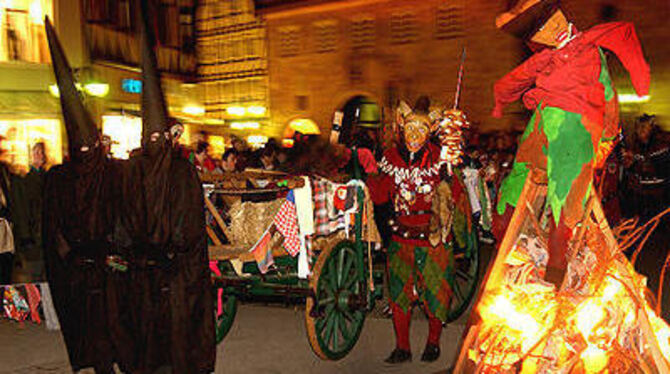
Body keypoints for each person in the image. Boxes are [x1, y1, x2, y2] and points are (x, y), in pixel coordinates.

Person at [491, 0, 649, 285]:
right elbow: (516, 78)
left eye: (553, 19)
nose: (552, 27)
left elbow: (608, 94)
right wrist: (500, 99)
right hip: (544, 123)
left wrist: (608, 136)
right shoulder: (545, 60)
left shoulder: (591, 50)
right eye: (541, 28)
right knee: (522, 178)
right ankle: (505, 223)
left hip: (575, 126)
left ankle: (556, 263)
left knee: (565, 196)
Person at [117, 3, 215, 372]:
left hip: (176, 273)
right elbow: (123, 218)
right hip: (144, 274)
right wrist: (129, 251)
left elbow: (190, 224)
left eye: (162, 137)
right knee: (146, 341)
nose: (157, 142)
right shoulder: (132, 172)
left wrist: (169, 252)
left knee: (176, 340)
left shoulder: (181, 173)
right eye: (151, 137)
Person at [42, 18, 132, 373]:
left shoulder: (113, 172)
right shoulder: (59, 179)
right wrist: (74, 258)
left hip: (111, 271)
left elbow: (126, 216)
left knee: (116, 330)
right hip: (81, 276)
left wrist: (117, 252)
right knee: (93, 335)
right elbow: (53, 231)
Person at [368, 96, 467, 363]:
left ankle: (433, 343)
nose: (414, 134)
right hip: (401, 238)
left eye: (421, 129)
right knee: (400, 293)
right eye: (410, 128)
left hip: (433, 238)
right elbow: (379, 196)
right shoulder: (389, 158)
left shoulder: (440, 157)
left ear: (430, 131)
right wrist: (369, 173)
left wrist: (449, 175)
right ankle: (402, 347)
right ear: (402, 128)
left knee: (437, 291)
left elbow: (455, 194)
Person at [11, 142, 47, 282]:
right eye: (36, 153)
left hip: (43, 236)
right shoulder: (23, 180)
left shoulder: (48, 177)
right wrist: (26, 236)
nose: (39, 156)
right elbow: (22, 210)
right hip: (33, 237)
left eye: (41, 152)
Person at [622, 114, 670, 218]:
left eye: (643, 127)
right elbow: (633, 168)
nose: (640, 130)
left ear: (651, 127)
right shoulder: (636, 145)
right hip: (643, 198)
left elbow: (653, 163)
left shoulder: (661, 144)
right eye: (638, 127)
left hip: (660, 196)